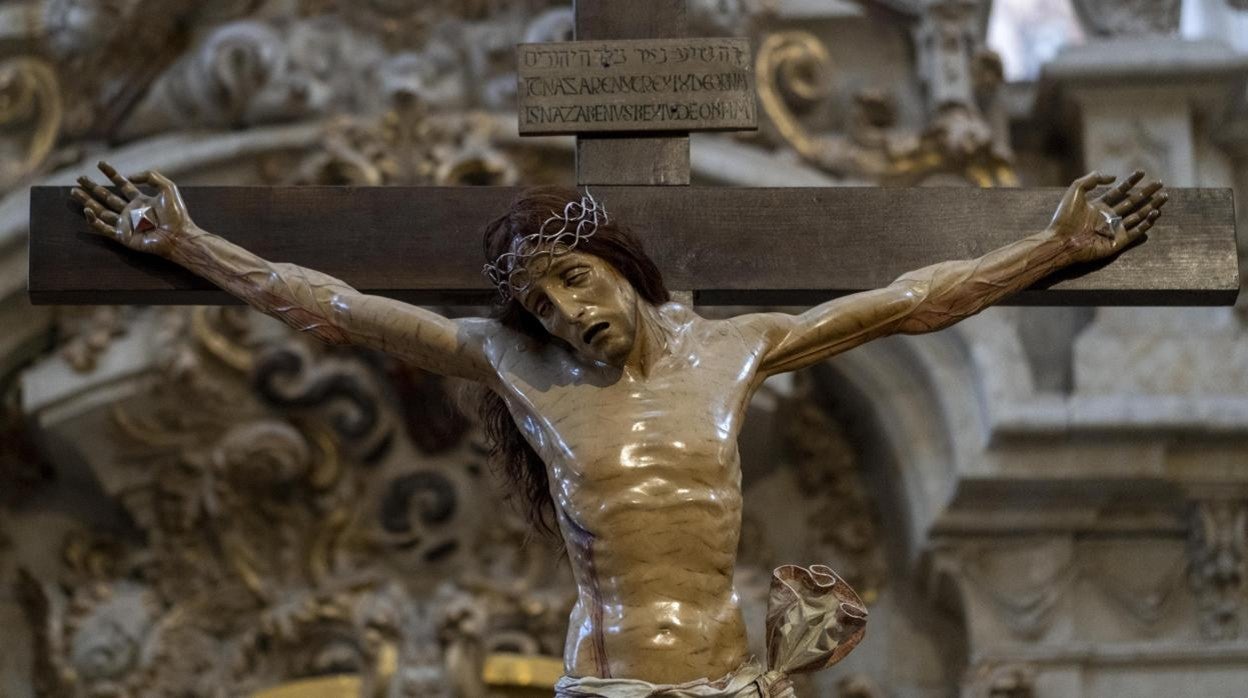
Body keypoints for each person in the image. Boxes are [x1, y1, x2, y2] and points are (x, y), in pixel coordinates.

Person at [71, 163, 1166, 696]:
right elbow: (337, 305)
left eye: (578, 283)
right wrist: (189, 245)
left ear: (626, 271)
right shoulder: (513, 362)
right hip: (608, 681)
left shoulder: (737, 350)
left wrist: (1050, 248)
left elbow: (908, 299)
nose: (567, 314)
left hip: (731, 675)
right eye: (542, 305)